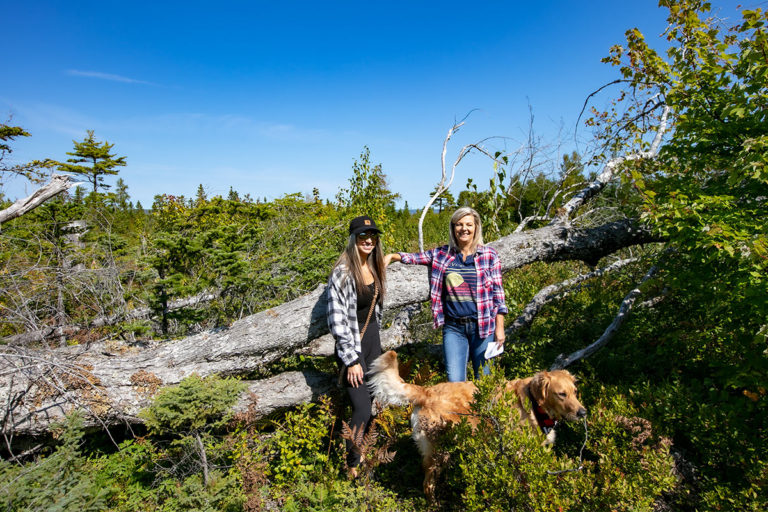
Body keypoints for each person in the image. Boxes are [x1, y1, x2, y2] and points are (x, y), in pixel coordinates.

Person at [385, 207, 507, 382]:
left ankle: (484, 411)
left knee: (485, 382)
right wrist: (392, 256)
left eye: (469, 225)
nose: (464, 229)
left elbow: (498, 294)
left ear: (476, 227)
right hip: (453, 328)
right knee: (455, 383)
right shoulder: (442, 254)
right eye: (459, 224)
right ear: (453, 228)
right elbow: (415, 257)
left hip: (483, 327)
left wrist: (499, 328)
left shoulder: (489, 255)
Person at [326, 215, 387, 475]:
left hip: (374, 343)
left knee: (371, 404)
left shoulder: (374, 267)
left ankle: (359, 457)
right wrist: (351, 360)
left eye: (372, 236)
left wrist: (393, 258)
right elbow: (337, 320)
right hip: (353, 347)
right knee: (361, 407)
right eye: (363, 235)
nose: (369, 240)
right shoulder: (342, 272)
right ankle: (350, 465)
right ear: (353, 239)